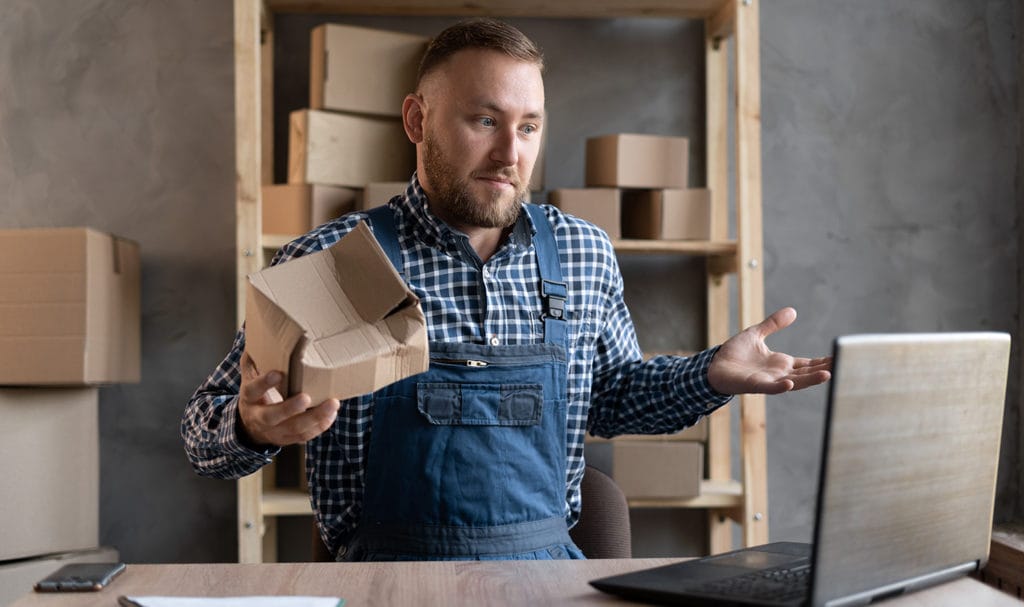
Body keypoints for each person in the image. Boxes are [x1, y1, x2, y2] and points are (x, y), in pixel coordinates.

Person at [182, 18, 831, 562]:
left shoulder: (583, 254)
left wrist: (710, 374)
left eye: (527, 126)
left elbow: (610, 399)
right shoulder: (330, 260)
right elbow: (200, 435)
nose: (510, 154)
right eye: (484, 120)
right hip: (388, 587)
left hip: (546, 585)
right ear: (417, 118)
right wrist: (251, 424)